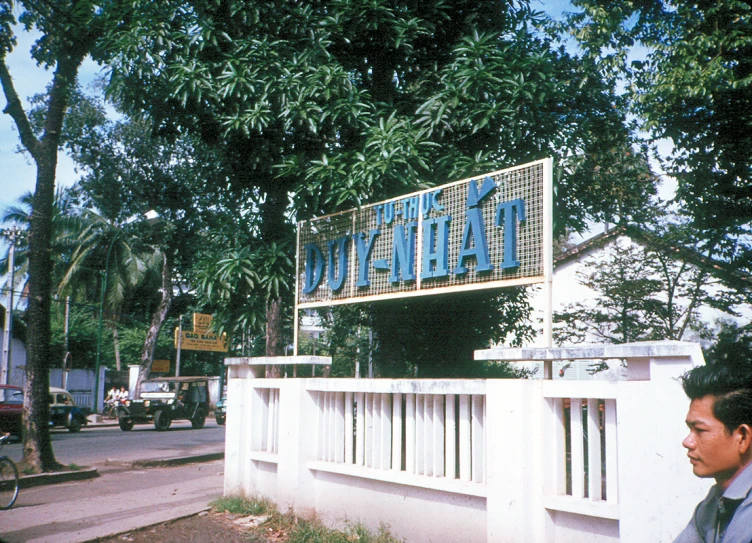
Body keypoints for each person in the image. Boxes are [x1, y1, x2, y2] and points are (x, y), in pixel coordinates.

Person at [674, 362, 752, 543]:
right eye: (689, 429)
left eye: (700, 430)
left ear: (742, 437)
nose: (687, 442)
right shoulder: (714, 503)